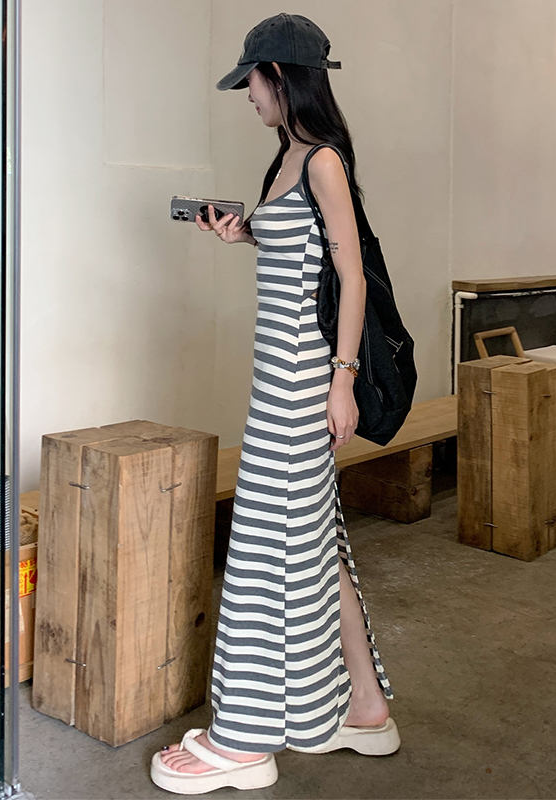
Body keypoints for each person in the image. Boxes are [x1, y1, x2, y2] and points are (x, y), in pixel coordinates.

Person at [151, 13, 399, 795]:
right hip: (279, 379)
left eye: (252, 82)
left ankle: (246, 740)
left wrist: (342, 380)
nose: (247, 95)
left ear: (281, 77)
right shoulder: (287, 157)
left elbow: (351, 277)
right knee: (315, 543)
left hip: (301, 383)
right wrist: (244, 235)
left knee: (265, 549)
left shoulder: (322, 161)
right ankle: (366, 709)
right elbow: (302, 252)